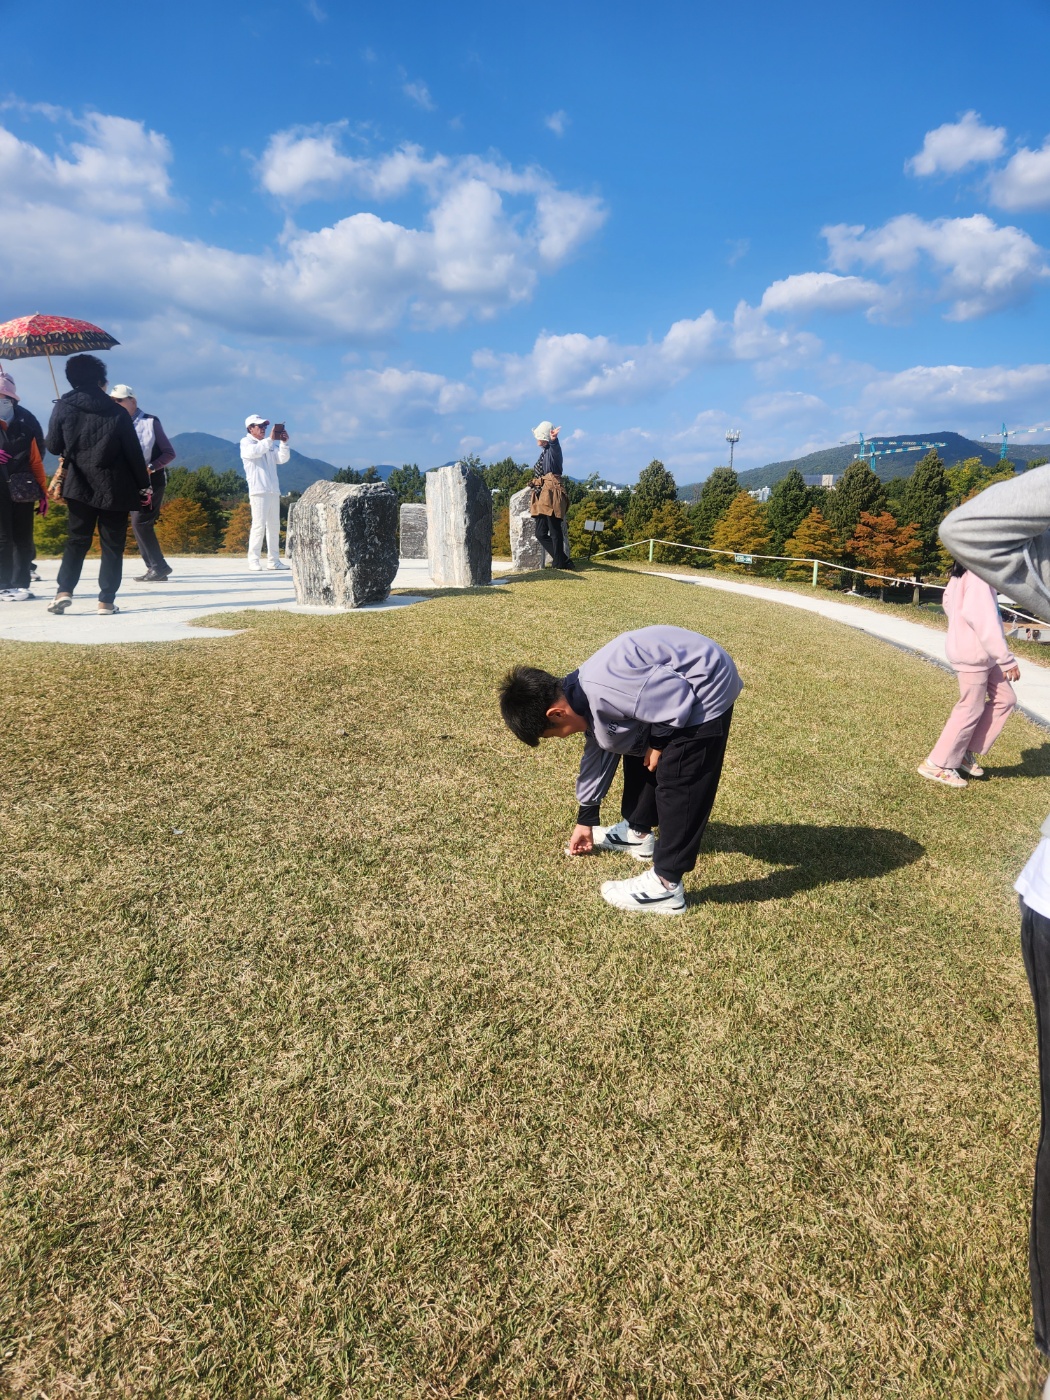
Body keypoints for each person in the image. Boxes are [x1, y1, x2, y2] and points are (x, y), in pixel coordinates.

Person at [938, 468, 1050, 1385]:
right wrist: (1006, 655)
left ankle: (954, 764)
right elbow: (973, 532)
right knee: (978, 701)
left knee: (985, 705)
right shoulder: (981, 571)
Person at [499, 625, 742, 913]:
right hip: (678, 683)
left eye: (552, 734)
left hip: (706, 683)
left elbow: (676, 695)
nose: (561, 738)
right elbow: (599, 752)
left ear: (557, 714)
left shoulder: (608, 689)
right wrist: (586, 818)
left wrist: (659, 742)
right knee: (633, 742)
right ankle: (637, 833)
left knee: (678, 776)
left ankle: (666, 885)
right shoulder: (580, 694)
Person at [44, 354, 151, 616]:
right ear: (101, 380)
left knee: (77, 540)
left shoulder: (63, 407)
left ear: (71, 379)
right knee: (112, 545)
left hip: (79, 483)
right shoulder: (117, 411)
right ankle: (106, 602)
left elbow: (53, 446)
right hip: (115, 486)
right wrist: (144, 487)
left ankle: (64, 592)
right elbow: (134, 454)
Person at [917, 562, 1020, 788]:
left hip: (984, 654)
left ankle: (962, 752)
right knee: (970, 708)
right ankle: (937, 763)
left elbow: (947, 601)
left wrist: (961, 626)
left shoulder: (964, 573)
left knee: (1006, 699)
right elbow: (985, 621)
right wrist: (1006, 659)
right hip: (973, 654)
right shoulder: (977, 577)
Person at [110, 385, 176, 582]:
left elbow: (169, 453)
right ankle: (155, 568)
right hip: (130, 482)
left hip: (151, 481)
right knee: (138, 524)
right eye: (113, 401)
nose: (115, 404)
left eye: (119, 400)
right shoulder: (116, 423)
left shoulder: (150, 421)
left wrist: (151, 467)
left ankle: (159, 567)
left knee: (141, 522)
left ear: (132, 401)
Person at [0, 371, 48, 602]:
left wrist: (43, 493)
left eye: (4, 397)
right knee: (2, 537)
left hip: (23, 487)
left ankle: (21, 584)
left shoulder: (26, 423)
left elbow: (36, 461)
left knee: (23, 538)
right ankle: (3, 584)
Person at [240, 414, 290, 570]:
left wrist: (284, 443)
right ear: (250, 428)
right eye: (260, 426)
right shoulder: (246, 442)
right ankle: (253, 560)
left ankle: (273, 561)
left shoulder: (268, 444)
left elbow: (282, 459)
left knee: (274, 527)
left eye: (265, 426)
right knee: (258, 526)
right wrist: (270, 439)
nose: (263, 429)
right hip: (258, 491)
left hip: (273, 490)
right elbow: (254, 452)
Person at [529, 420, 573, 570]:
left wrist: (554, 440)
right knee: (540, 533)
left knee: (554, 529)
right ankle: (563, 560)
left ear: (544, 437)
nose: (536, 439)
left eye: (538, 436)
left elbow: (556, 449)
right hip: (543, 492)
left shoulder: (553, 450)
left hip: (552, 492)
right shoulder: (545, 452)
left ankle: (560, 563)